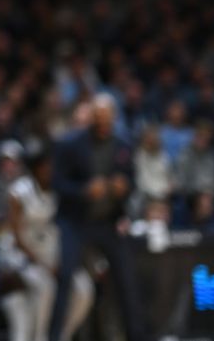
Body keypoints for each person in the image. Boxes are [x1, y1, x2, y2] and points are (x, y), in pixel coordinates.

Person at [48, 94, 146, 341]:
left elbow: (132, 181)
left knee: (127, 281)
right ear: (91, 117)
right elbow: (57, 184)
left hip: (108, 222)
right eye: (98, 117)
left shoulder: (123, 143)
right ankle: (54, 336)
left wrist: (125, 188)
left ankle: (136, 336)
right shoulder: (70, 143)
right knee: (66, 279)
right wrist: (83, 190)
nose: (102, 122)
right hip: (75, 221)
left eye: (107, 117)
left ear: (114, 116)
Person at [1, 149, 92, 341]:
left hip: (52, 250)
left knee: (84, 289)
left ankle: (62, 335)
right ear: (36, 168)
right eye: (46, 166)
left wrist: (63, 260)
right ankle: (40, 337)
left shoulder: (61, 189)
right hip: (24, 252)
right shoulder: (19, 192)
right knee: (47, 288)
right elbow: (15, 237)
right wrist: (45, 264)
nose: (51, 170)